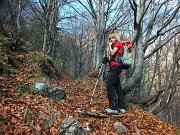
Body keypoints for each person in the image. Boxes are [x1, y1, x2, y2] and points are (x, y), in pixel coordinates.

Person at [104, 34, 126, 114]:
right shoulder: (113, 46)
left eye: (112, 38)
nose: (111, 40)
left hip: (116, 66)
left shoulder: (117, 43)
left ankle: (113, 107)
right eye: (110, 39)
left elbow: (113, 53)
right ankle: (121, 106)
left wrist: (109, 46)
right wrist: (107, 60)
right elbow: (111, 57)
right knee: (117, 86)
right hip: (115, 66)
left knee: (109, 85)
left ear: (116, 38)